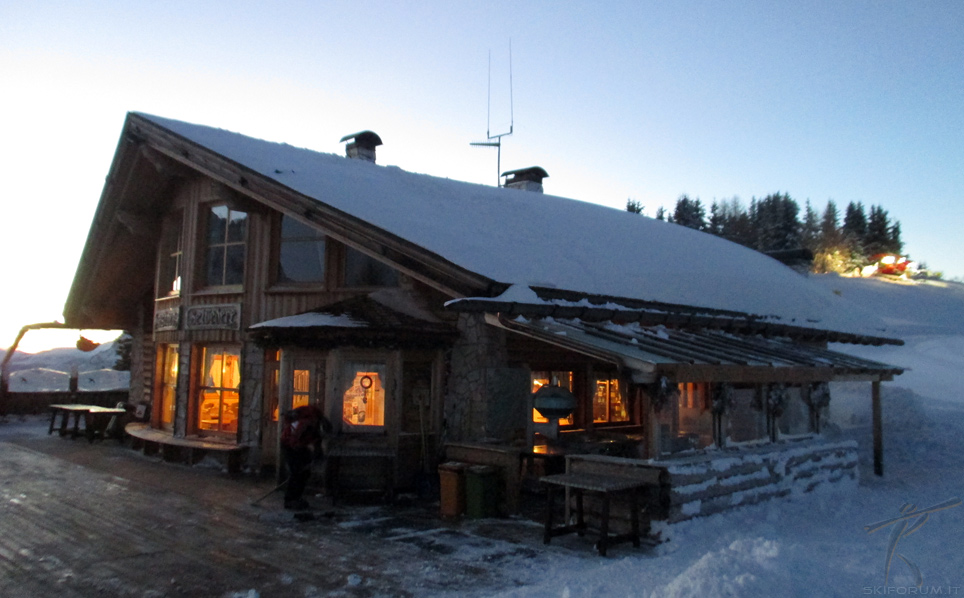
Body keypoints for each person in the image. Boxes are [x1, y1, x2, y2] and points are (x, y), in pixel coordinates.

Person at [280, 404, 331, 510]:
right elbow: (294, 440)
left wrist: (317, 455)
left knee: (305, 473)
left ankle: (297, 497)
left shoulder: (315, 426)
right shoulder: (305, 424)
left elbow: (317, 443)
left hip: (299, 445)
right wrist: (299, 458)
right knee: (297, 473)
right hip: (289, 445)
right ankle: (290, 500)